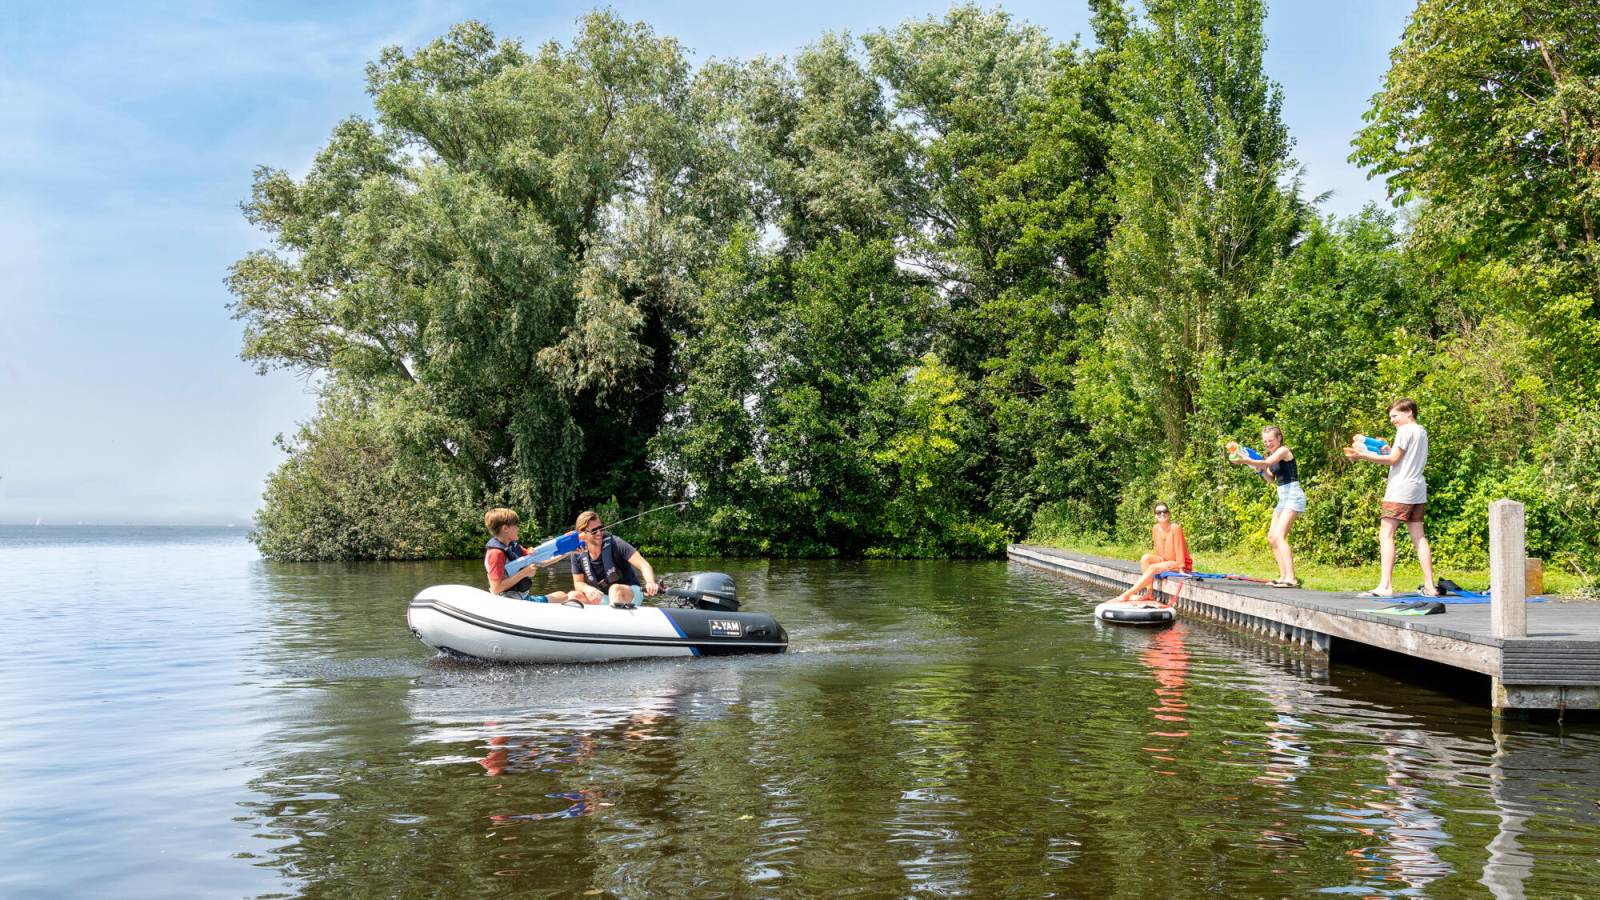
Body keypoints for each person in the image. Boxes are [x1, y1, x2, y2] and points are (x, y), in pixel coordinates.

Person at [1344, 398, 1437, 597]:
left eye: (1395, 416)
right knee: (1419, 536)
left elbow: (1393, 460)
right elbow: (1400, 456)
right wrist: (1385, 451)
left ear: (1409, 412)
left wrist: (1362, 456)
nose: (1392, 420)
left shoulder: (1404, 431)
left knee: (1386, 534)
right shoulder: (1421, 431)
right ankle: (1430, 586)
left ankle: (1385, 586)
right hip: (1418, 487)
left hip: (1400, 488)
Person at [1229, 425, 1304, 587]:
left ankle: (1292, 578)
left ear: (1279, 438)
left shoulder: (1283, 451)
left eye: (1270, 440)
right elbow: (1270, 478)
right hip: (1283, 498)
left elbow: (1267, 462)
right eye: (1265, 441)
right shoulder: (1271, 454)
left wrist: (1244, 460)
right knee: (1271, 538)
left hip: (1293, 496)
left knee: (1279, 536)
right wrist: (1257, 469)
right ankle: (1283, 576)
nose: (1268, 444)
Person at [570, 510, 660, 607]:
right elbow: (578, 583)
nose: (599, 533)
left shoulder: (616, 543)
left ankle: (614, 619)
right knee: (574, 595)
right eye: (594, 531)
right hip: (604, 596)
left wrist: (650, 582)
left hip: (629, 592)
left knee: (615, 589)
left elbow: (644, 565)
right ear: (582, 534)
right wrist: (587, 589)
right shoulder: (577, 553)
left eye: (601, 528)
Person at [483, 508, 572, 603]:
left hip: (523, 598)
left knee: (562, 595)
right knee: (562, 597)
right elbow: (496, 588)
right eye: (516, 526)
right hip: (509, 602)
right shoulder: (496, 553)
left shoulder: (513, 546)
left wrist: (568, 550)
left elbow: (542, 563)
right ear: (505, 529)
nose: (518, 528)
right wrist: (524, 572)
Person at [1113, 502, 1193, 606]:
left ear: (1168, 514)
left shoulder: (1175, 528)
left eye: (1165, 511)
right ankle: (1149, 592)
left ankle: (1127, 594)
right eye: (1159, 512)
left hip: (1177, 563)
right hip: (1164, 560)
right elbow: (1157, 548)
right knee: (1145, 558)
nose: (1162, 514)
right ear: (1155, 515)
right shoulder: (1155, 528)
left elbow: (1180, 548)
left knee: (1153, 568)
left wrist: (1181, 568)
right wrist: (1159, 564)